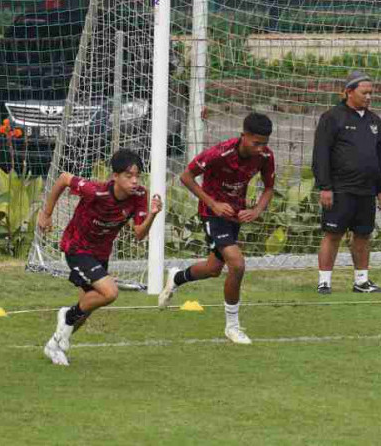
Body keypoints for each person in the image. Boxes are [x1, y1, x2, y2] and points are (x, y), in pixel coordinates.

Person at [158, 112, 275, 345]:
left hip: (234, 215)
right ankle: (232, 327)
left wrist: (256, 210)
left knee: (213, 268)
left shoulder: (265, 156)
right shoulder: (220, 153)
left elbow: (269, 188)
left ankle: (177, 278)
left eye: (265, 143)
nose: (261, 148)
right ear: (243, 136)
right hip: (212, 213)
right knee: (237, 264)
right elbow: (186, 176)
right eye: (256, 143)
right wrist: (213, 203)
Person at [38, 149, 162, 366]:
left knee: (86, 310)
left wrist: (152, 214)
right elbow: (64, 179)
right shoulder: (96, 191)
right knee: (110, 292)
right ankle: (66, 315)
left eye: (137, 176)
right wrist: (46, 214)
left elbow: (140, 234)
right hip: (77, 248)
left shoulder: (140, 196)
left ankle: (54, 344)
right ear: (115, 176)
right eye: (128, 175)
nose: (134, 181)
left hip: (100, 254)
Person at [312, 71, 381, 294]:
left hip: (367, 189)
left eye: (371, 93)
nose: (368, 97)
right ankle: (324, 281)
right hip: (340, 188)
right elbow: (321, 155)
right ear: (348, 92)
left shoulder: (375, 120)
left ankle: (361, 281)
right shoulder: (332, 117)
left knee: (363, 235)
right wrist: (325, 186)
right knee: (333, 234)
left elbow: (380, 155)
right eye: (364, 92)